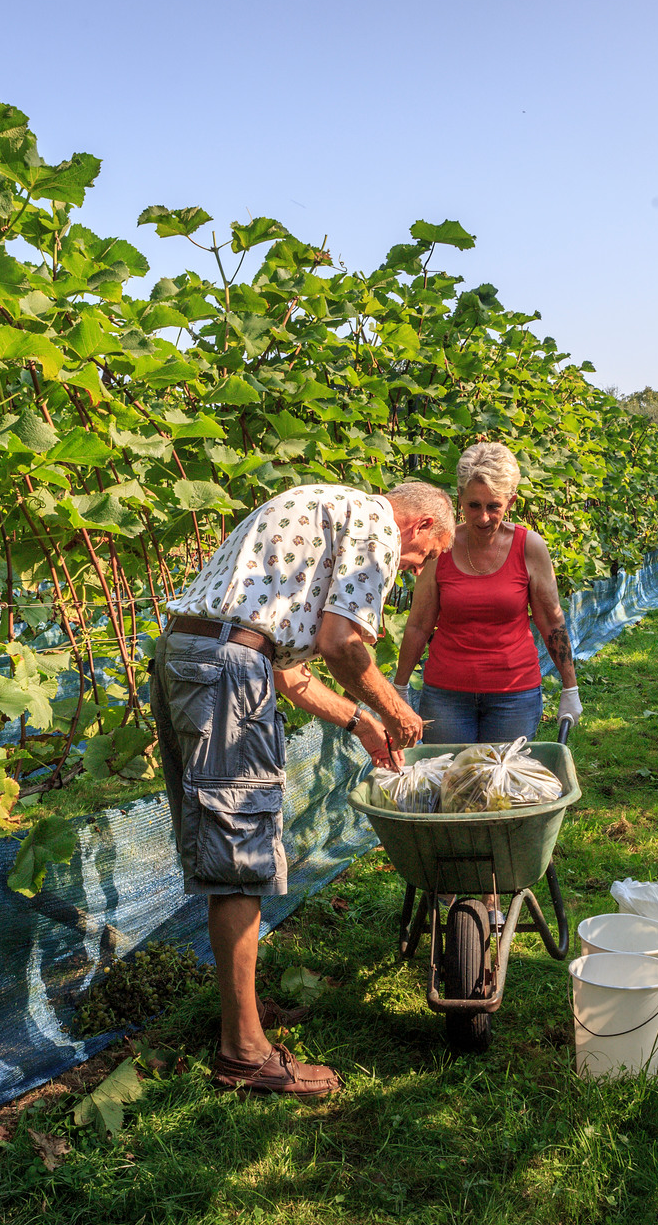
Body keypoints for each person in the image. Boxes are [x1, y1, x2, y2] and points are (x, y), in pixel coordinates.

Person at [151, 480, 455, 1098]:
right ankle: (244, 1053)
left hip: (191, 653)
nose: (410, 570)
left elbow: (288, 671)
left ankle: (245, 1021)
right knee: (241, 855)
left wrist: (360, 722)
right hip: (229, 670)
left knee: (226, 844)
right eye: (422, 558)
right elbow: (340, 644)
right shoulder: (372, 521)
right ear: (419, 525)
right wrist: (396, 709)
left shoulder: (324, 513)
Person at [394, 442, 582, 745]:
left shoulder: (529, 547)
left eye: (493, 506)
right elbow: (419, 624)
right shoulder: (441, 547)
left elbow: (551, 620)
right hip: (446, 696)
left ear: (511, 502)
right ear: (460, 499)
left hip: (514, 696)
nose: (482, 518)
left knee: (502, 786)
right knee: (450, 781)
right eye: (473, 505)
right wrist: (400, 688)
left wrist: (569, 687)